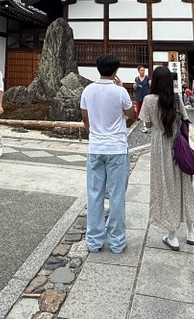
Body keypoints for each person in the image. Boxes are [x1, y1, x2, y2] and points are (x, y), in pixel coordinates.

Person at [80, 53, 136, 254]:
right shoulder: (120, 92)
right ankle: (117, 241)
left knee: (94, 194)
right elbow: (131, 115)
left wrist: (94, 134)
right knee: (117, 195)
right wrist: (122, 89)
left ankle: (94, 241)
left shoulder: (87, 91)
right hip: (117, 148)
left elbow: (85, 118)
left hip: (96, 147)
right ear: (115, 70)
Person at [139, 66, 194, 251]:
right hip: (179, 145)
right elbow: (186, 120)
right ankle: (191, 231)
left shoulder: (149, 100)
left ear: (155, 81)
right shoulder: (177, 98)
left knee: (165, 186)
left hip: (160, 146)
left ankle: (172, 235)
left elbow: (147, 124)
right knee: (184, 185)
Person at [133, 65, 150, 130]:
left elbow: (150, 85)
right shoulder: (136, 78)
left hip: (146, 96)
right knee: (138, 109)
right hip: (139, 95)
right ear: (139, 71)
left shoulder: (147, 78)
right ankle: (138, 123)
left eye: (144, 70)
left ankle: (146, 121)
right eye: (141, 70)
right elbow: (135, 87)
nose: (143, 72)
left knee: (146, 108)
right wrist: (134, 86)